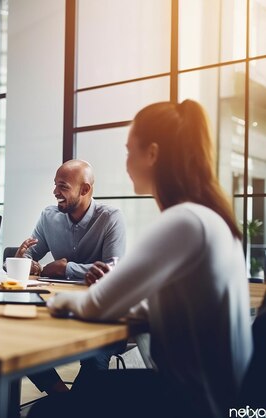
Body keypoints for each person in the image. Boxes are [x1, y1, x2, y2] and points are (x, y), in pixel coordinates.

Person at [29, 100, 253, 418]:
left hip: (197, 404)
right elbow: (164, 303)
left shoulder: (183, 221)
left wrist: (53, 302)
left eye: (129, 151)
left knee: (49, 412)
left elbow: (96, 305)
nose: (126, 162)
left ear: (152, 154)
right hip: (220, 396)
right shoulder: (206, 218)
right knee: (85, 395)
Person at [15, 159, 127, 395]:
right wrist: (25, 260)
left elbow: (113, 270)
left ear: (85, 189)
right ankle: (64, 398)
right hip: (58, 307)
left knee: (95, 358)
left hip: (99, 313)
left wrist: (66, 269)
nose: (55, 192)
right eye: (55, 185)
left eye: (63, 186)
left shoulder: (110, 218)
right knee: (18, 342)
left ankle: (77, 405)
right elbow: (31, 256)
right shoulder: (49, 216)